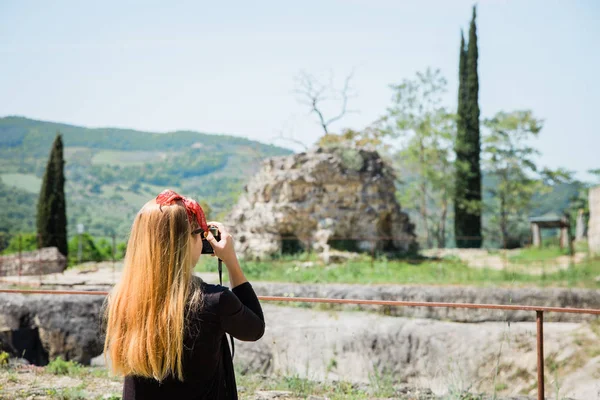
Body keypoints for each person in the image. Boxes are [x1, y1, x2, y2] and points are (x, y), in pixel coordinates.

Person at [103, 189, 265, 400]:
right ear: (185, 241)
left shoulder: (121, 300)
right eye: (199, 233)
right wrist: (231, 262)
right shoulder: (215, 301)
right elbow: (254, 330)